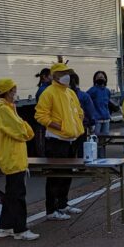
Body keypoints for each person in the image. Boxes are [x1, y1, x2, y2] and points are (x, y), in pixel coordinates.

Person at [34, 62, 85, 219]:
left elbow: (79, 111)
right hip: (56, 140)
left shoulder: (70, 93)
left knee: (67, 173)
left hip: (71, 139)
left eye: (67, 73)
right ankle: (51, 210)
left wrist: (78, 121)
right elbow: (40, 115)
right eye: (63, 73)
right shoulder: (49, 93)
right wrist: (59, 126)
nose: (67, 76)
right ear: (54, 75)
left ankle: (63, 204)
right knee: (56, 175)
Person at [0, 78, 38, 241]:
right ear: (6, 92)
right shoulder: (5, 110)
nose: (15, 93)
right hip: (13, 158)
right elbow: (22, 131)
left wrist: (23, 126)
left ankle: (5, 226)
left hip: (12, 157)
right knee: (18, 195)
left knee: (12, 194)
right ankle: (20, 229)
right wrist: (25, 126)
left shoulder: (7, 108)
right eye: (13, 90)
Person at [69, 71, 96, 155]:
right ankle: (81, 167)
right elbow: (90, 111)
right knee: (81, 148)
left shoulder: (64, 95)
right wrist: (92, 123)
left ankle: (71, 166)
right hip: (81, 126)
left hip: (67, 126)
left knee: (70, 149)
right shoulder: (84, 95)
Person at [87, 71, 111, 158]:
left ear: (105, 79)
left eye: (102, 77)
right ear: (95, 79)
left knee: (103, 142)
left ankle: (102, 158)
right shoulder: (92, 90)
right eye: (98, 77)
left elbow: (107, 104)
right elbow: (87, 102)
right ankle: (95, 158)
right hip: (97, 119)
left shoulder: (107, 91)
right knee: (95, 141)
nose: (101, 78)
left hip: (106, 119)